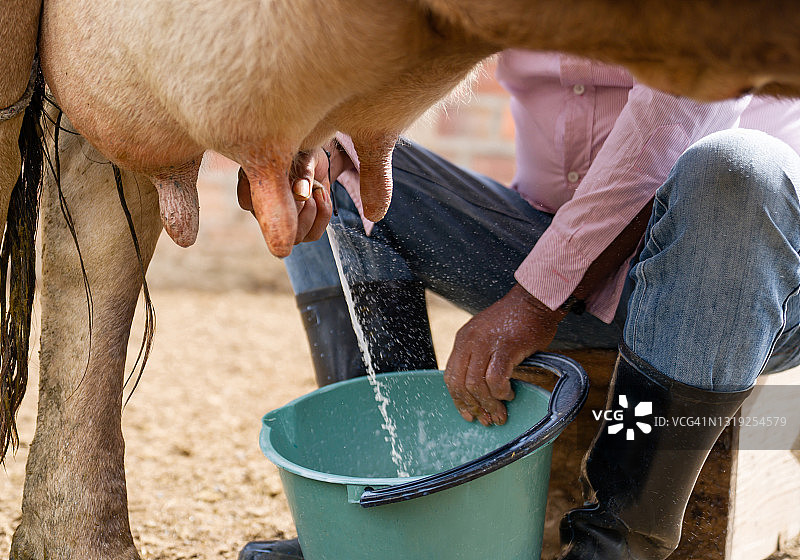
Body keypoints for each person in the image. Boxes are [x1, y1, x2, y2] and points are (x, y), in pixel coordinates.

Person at [237, 50, 800, 560]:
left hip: (742, 283)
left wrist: (535, 299)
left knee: (737, 168)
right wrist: (312, 128)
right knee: (330, 160)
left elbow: (676, 121)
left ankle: (615, 548)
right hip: (546, 244)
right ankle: (381, 516)